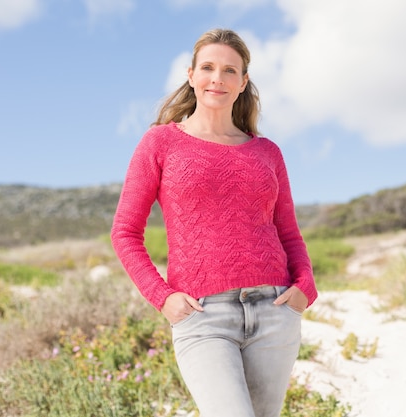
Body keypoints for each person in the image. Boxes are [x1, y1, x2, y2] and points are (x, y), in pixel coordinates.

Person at [111, 28, 318, 417]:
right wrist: (163, 296)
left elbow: (288, 232)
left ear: (243, 82)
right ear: (191, 75)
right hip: (203, 317)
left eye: (229, 70)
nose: (217, 78)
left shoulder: (267, 152)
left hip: (275, 311)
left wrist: (305, 285)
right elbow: (124, 233)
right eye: (207, 67)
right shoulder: (160, 143)